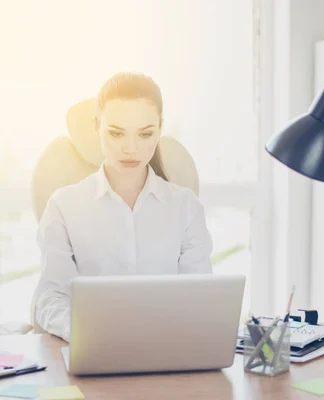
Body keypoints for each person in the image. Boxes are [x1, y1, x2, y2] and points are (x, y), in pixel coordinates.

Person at [34, 72, 213, 341]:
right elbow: (51, 298)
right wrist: (87, 333)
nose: (131, 148)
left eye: (145, 134)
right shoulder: (64, 206)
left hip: (168, 349)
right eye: (117, 133)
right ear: (97, 126)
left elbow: (200, 295)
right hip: (92, 348)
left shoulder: (185, 206)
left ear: (160, 128)